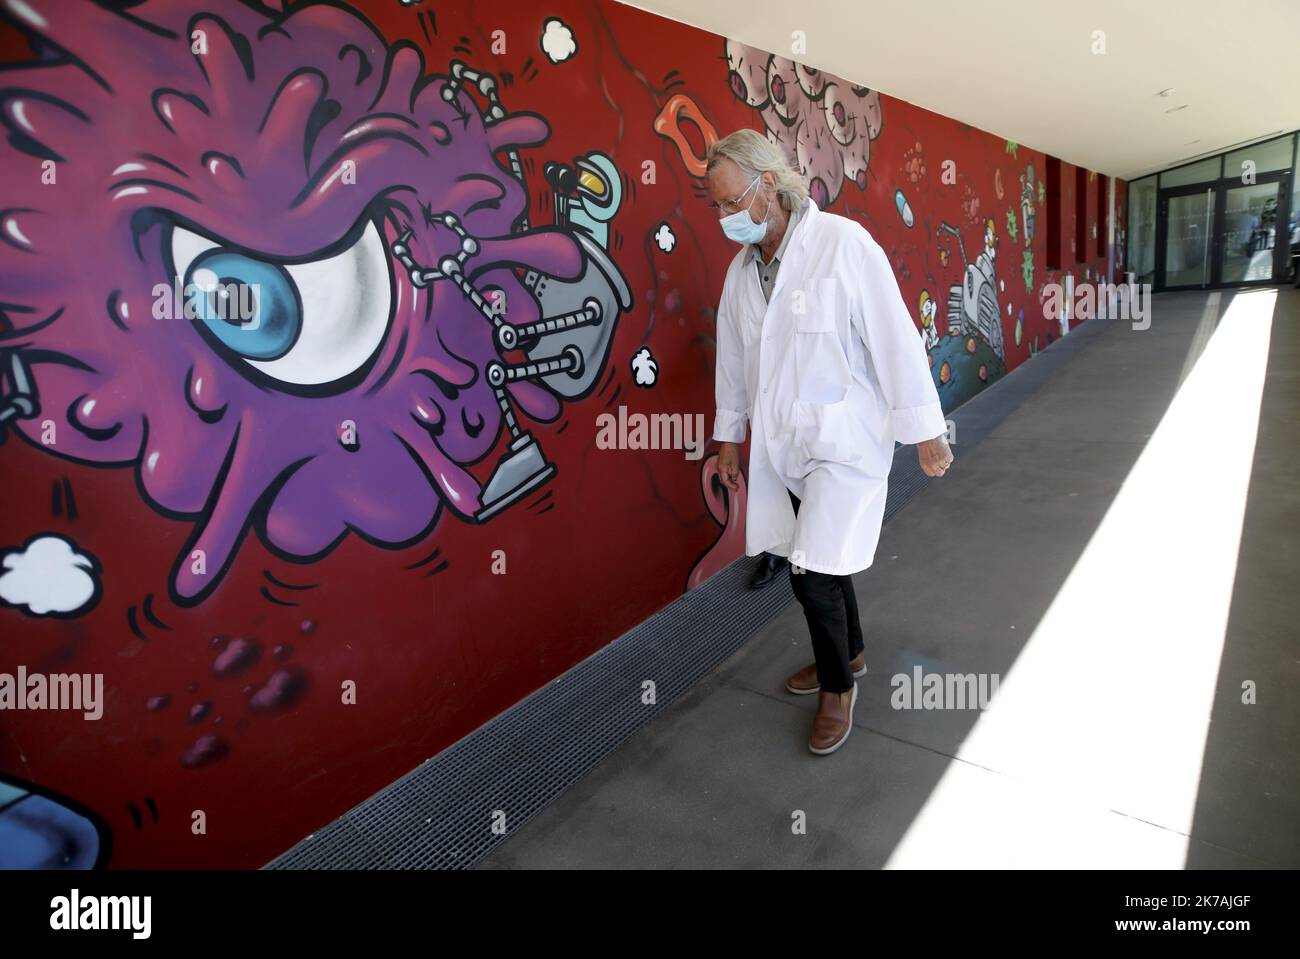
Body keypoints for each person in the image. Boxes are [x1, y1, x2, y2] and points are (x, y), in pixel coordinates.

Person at [705, 129, 954, 755]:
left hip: (844, 443)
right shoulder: (741, 275)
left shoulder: (843, 246)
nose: (724, 217)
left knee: (811, 569)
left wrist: (924, 428)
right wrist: (728, 438)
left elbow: (894, 336)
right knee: (825, 556)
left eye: (732, 201)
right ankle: (854, 652)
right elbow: (733, 361)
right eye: (716, 206)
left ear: (769, 186)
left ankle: (839, 688)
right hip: (786, 449)